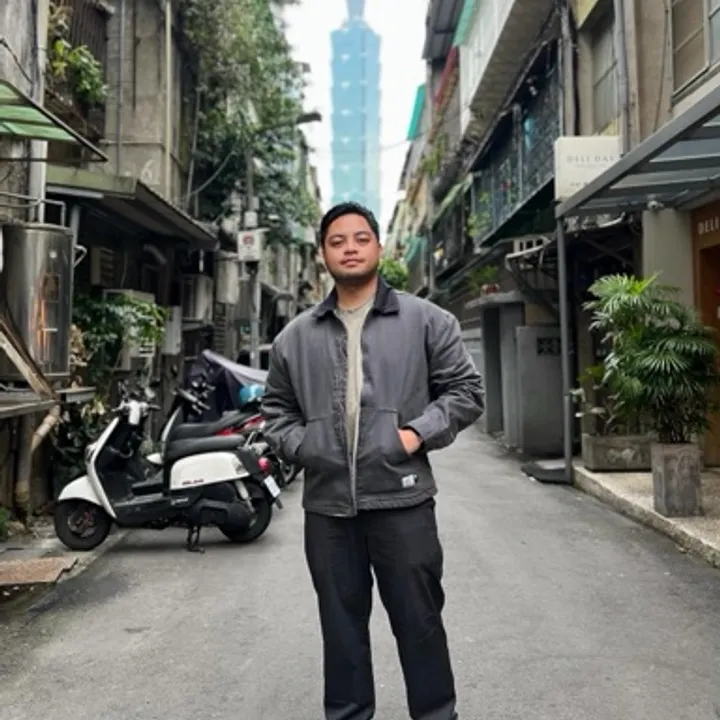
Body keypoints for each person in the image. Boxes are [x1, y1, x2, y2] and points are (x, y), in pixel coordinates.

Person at [261, 201, 484, 720]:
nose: (350, 249)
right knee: (341, 632)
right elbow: (276, 412)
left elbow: (465, 392)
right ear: (323, 254)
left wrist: (413, 435)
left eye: (361, 239)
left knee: (420, 624)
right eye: (337, 241)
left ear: (379, 247)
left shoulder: (426, 320)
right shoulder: (295, 337)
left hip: (403, 501)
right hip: (328, 509)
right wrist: (307, 447)